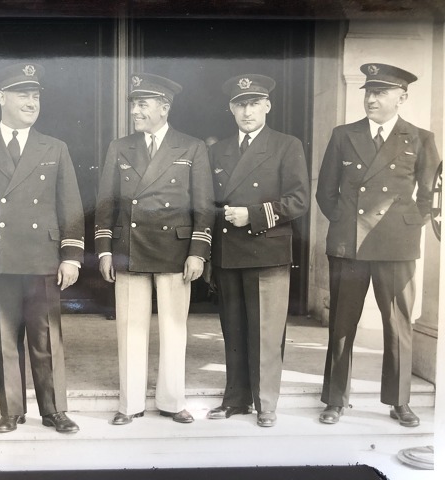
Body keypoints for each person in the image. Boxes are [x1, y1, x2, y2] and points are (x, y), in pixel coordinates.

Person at [0, 63, 84, 434]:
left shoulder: (55, 147)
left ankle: (54, 410)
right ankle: (11, 410)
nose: (31, 101)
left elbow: (70, 206)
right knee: (5, 338)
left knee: (46, 338)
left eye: (35, 95)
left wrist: (71, 256)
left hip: (42, 256)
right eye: (23, 94)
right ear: (1, 97)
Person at [316, 63, 440, 427]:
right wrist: (345, 223)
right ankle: (335, 400)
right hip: (349, 245)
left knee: (398, 325)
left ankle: (399, 402)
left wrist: (407, 224)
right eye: (369, 92)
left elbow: (430, 195)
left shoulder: (420, 138)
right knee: (341, 323)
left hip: (396, 246)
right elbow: (326, 190)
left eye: (381, 93)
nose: (371, 99)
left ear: (401, 98)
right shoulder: (343, 134)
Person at [95, 73, 214, 425]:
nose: (136, 110)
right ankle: (129, 404)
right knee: (130, 329)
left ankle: (172, 401)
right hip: (130, 247)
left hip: (175, 250)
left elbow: (204, 205)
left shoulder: (191, 146)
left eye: (143, 104)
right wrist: (104, 249)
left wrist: (198, 251)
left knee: (175, 329)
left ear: (164, 107)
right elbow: (105, 201)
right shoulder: (119, 146)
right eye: (133, 103)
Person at [206, 74, 309, 427]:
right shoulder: (217, 150)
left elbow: (298, 201)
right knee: (233, 330)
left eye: (253, 103)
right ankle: (235, 399)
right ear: (230, 108)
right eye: (239, 104)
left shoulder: (286, 145)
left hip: (267, 251)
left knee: (265, 331)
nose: (246, 111)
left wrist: (252, 215)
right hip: (228, 254)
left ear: (267, 106)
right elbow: (207, 203)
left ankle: (266, 404)